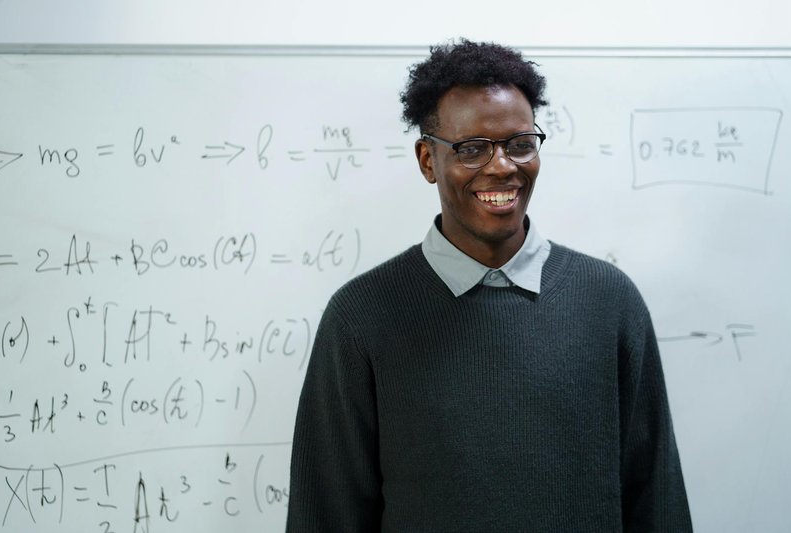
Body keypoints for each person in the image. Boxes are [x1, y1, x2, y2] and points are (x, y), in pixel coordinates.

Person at [286, 39, 692, 532]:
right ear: (427, 159)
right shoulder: (362, 316)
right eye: (472, 149)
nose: (502, 166)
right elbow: (327, 514)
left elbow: (657, 499)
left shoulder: (609, 301)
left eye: (520, 144)